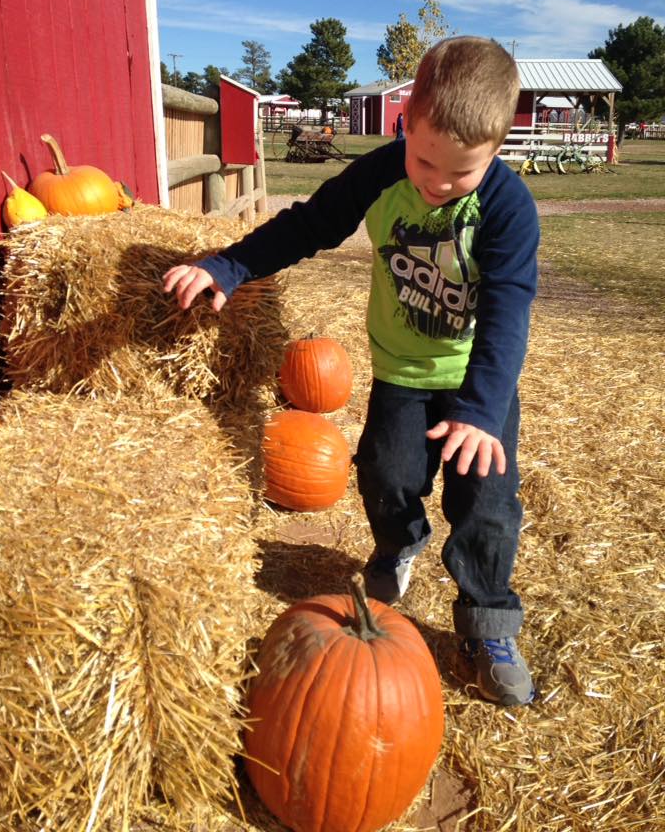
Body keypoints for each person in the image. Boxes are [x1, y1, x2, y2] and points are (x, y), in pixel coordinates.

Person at [163, 36, 539, 707]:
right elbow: (309, 224)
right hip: (402, 372)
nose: (436, 183)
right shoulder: (383, 172)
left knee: (486, 505)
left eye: (461, 174)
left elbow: (509, 311)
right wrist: (230, 265)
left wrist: (482, 409)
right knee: (384, 476)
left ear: (497, 150)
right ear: (406, 126)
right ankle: (400, 545)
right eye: (425, 160)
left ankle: (489, 622)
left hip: (476, 387)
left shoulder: (508, 209)